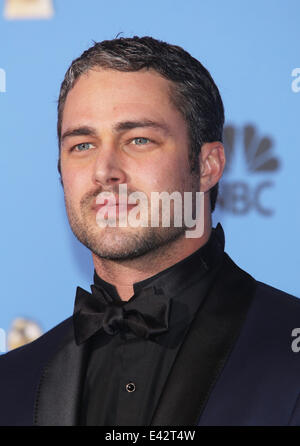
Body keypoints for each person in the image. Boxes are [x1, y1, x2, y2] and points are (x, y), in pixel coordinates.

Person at [0, 36, 300, 427]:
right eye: (82, 144)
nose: (105, 169)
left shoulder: (287, 350)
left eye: (138, 140)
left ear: (207, 165)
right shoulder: (11, 382)